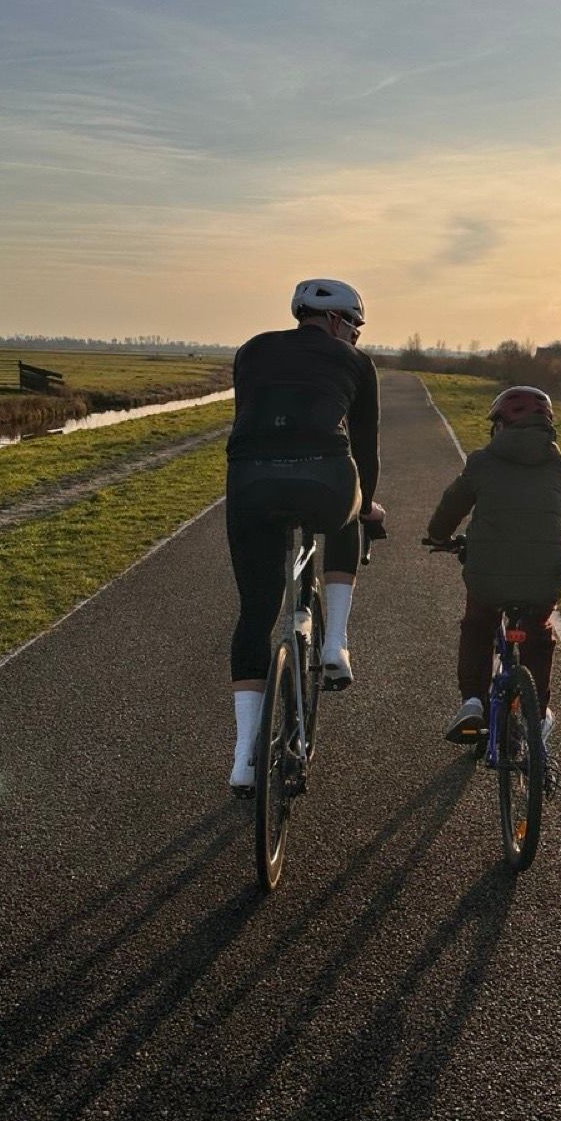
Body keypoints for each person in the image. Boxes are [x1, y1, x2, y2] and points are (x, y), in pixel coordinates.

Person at [225, 279, 384, 793]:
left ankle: (244, 758)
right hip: (326, 479)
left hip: (250, 483)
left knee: (255, 614)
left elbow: (253, 420)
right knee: (351, 512)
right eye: (354, 325)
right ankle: (335, 644)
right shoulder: (357, 363)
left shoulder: (251, 350)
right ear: (336, 320)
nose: (355, 336)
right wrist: (368, 506)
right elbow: (366, 450)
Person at [424, 386, 561, 743]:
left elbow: (452, 506)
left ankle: (473, 704)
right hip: (544, 572)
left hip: (488, 572)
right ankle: (538, 715)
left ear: (499, 426)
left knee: (478, 625)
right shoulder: (560, 465)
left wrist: (438, 536)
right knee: (538, 634)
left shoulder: (483, 461)